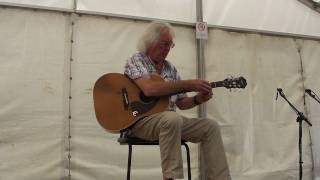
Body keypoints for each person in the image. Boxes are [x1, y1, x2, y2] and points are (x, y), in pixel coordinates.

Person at [124, 21, 231, 180]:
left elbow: (182, 103)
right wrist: (187, 84)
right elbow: (149, 89)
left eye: (170, 45)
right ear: (150, 42)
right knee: (172, 119)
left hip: (170, 122)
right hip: (140, 120)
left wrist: (199, 98)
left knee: (210, 127)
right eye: (163, 44)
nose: (167, 49)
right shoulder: (137, 60)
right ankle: (171, 177)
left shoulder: (170, 69)